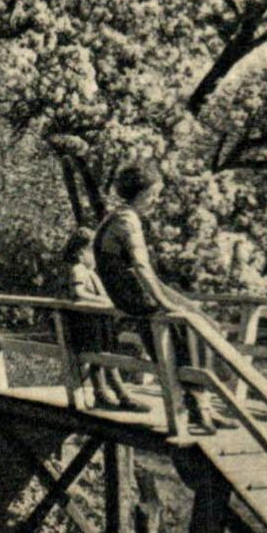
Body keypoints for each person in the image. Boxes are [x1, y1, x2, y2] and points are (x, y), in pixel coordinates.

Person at [92, 163, 232, 433]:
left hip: (130, 292)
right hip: (134, 293)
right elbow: (142, 267)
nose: (155, 201)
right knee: (191, 324)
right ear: (141, 193)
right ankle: (200, 406)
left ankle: (203, 405)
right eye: (153, 194)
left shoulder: (116, 216)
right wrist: (164, 302)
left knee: (202, 324)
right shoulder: (127, 221)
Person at [58, 228, 148, 412]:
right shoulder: (78, 270)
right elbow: (78, 293)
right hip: (89, 321)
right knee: (104, 358)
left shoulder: (87, 270)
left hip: (98, 320)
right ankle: (121, 395)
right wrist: (106, 301)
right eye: (91, 252)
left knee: (101, 358)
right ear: (80, 252)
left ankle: (104, 394)